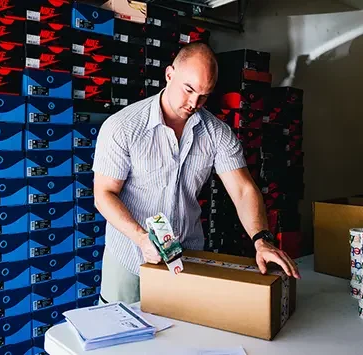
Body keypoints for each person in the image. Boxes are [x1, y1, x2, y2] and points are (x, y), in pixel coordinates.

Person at [92, 42, 301, 305]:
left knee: (181, 338)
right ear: (169, 75)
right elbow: (104, 194)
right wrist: (141, 238)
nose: (194, 103)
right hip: (130, 256)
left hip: (186, 256)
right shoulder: (123, 127)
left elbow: (243, 190)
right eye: (189, 90)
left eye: (204, 95)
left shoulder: (217, 133)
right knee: (122, 339)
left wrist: (261, 239)